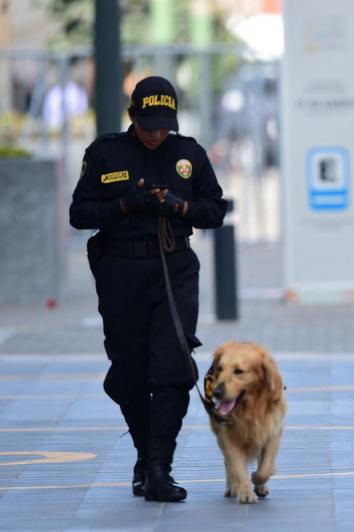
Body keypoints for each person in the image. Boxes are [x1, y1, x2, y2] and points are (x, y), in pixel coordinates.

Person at [69, 76, 227, 502]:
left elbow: (215, 210)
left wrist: (180, 206)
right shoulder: (105, 153)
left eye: (164, 125)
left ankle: (160, 467)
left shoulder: (188, 153)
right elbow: (79, 213)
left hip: (173, 267)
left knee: (173, 366)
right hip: (120, 271)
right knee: (129, 372)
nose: (157, 133)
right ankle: (144, 453)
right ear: (132, 117)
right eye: (149, 124)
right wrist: (125, 205)